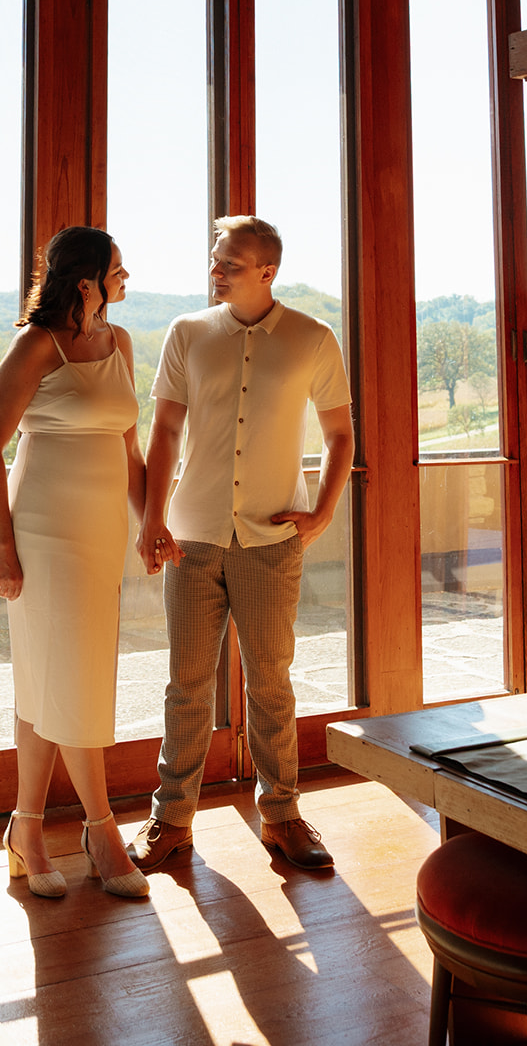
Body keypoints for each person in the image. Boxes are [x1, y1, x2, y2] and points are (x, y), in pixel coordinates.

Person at [129, 216, 354, 872]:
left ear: (267, 271)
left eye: (228, 263)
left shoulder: (313, 338)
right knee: (187, 685)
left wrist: (322, 511)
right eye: (214, 259)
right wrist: (151, 517)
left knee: (270, 683)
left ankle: (281, 816)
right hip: (191, 539)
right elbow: (164, 432)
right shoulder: (187, 333)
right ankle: (171, 821)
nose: (215, 271)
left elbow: (340, 434)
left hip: (270, 541)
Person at [0, 226, 149, 899]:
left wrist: (151, 523)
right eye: (117, 270)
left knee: (47, 679)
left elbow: (129, 451)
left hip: (101, 532)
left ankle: (26, 827)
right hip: (44, 533)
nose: (125, 278)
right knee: (73, 677)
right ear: (86, 282)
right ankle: (101, 831)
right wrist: (3, 548)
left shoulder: (119, 343)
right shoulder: (36, 345)